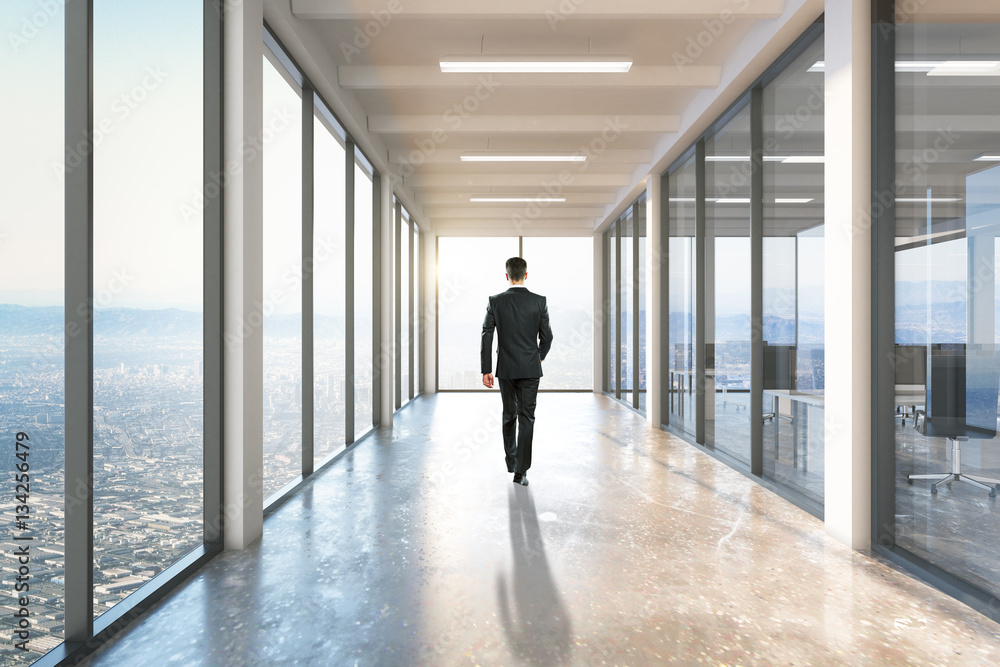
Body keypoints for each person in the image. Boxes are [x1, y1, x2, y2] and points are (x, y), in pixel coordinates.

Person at [481, 257, 553, 486]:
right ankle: (521, 471)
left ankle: (511, 461)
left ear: (507, 276)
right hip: (531, 369)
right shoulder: (539, 301)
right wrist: (538, 357)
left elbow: (487, 335)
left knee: (508, 414)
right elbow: (547, 337)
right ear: (526, 275)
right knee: (527, 417)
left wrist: (486, 370)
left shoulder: (495, 301)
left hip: (506, 369)